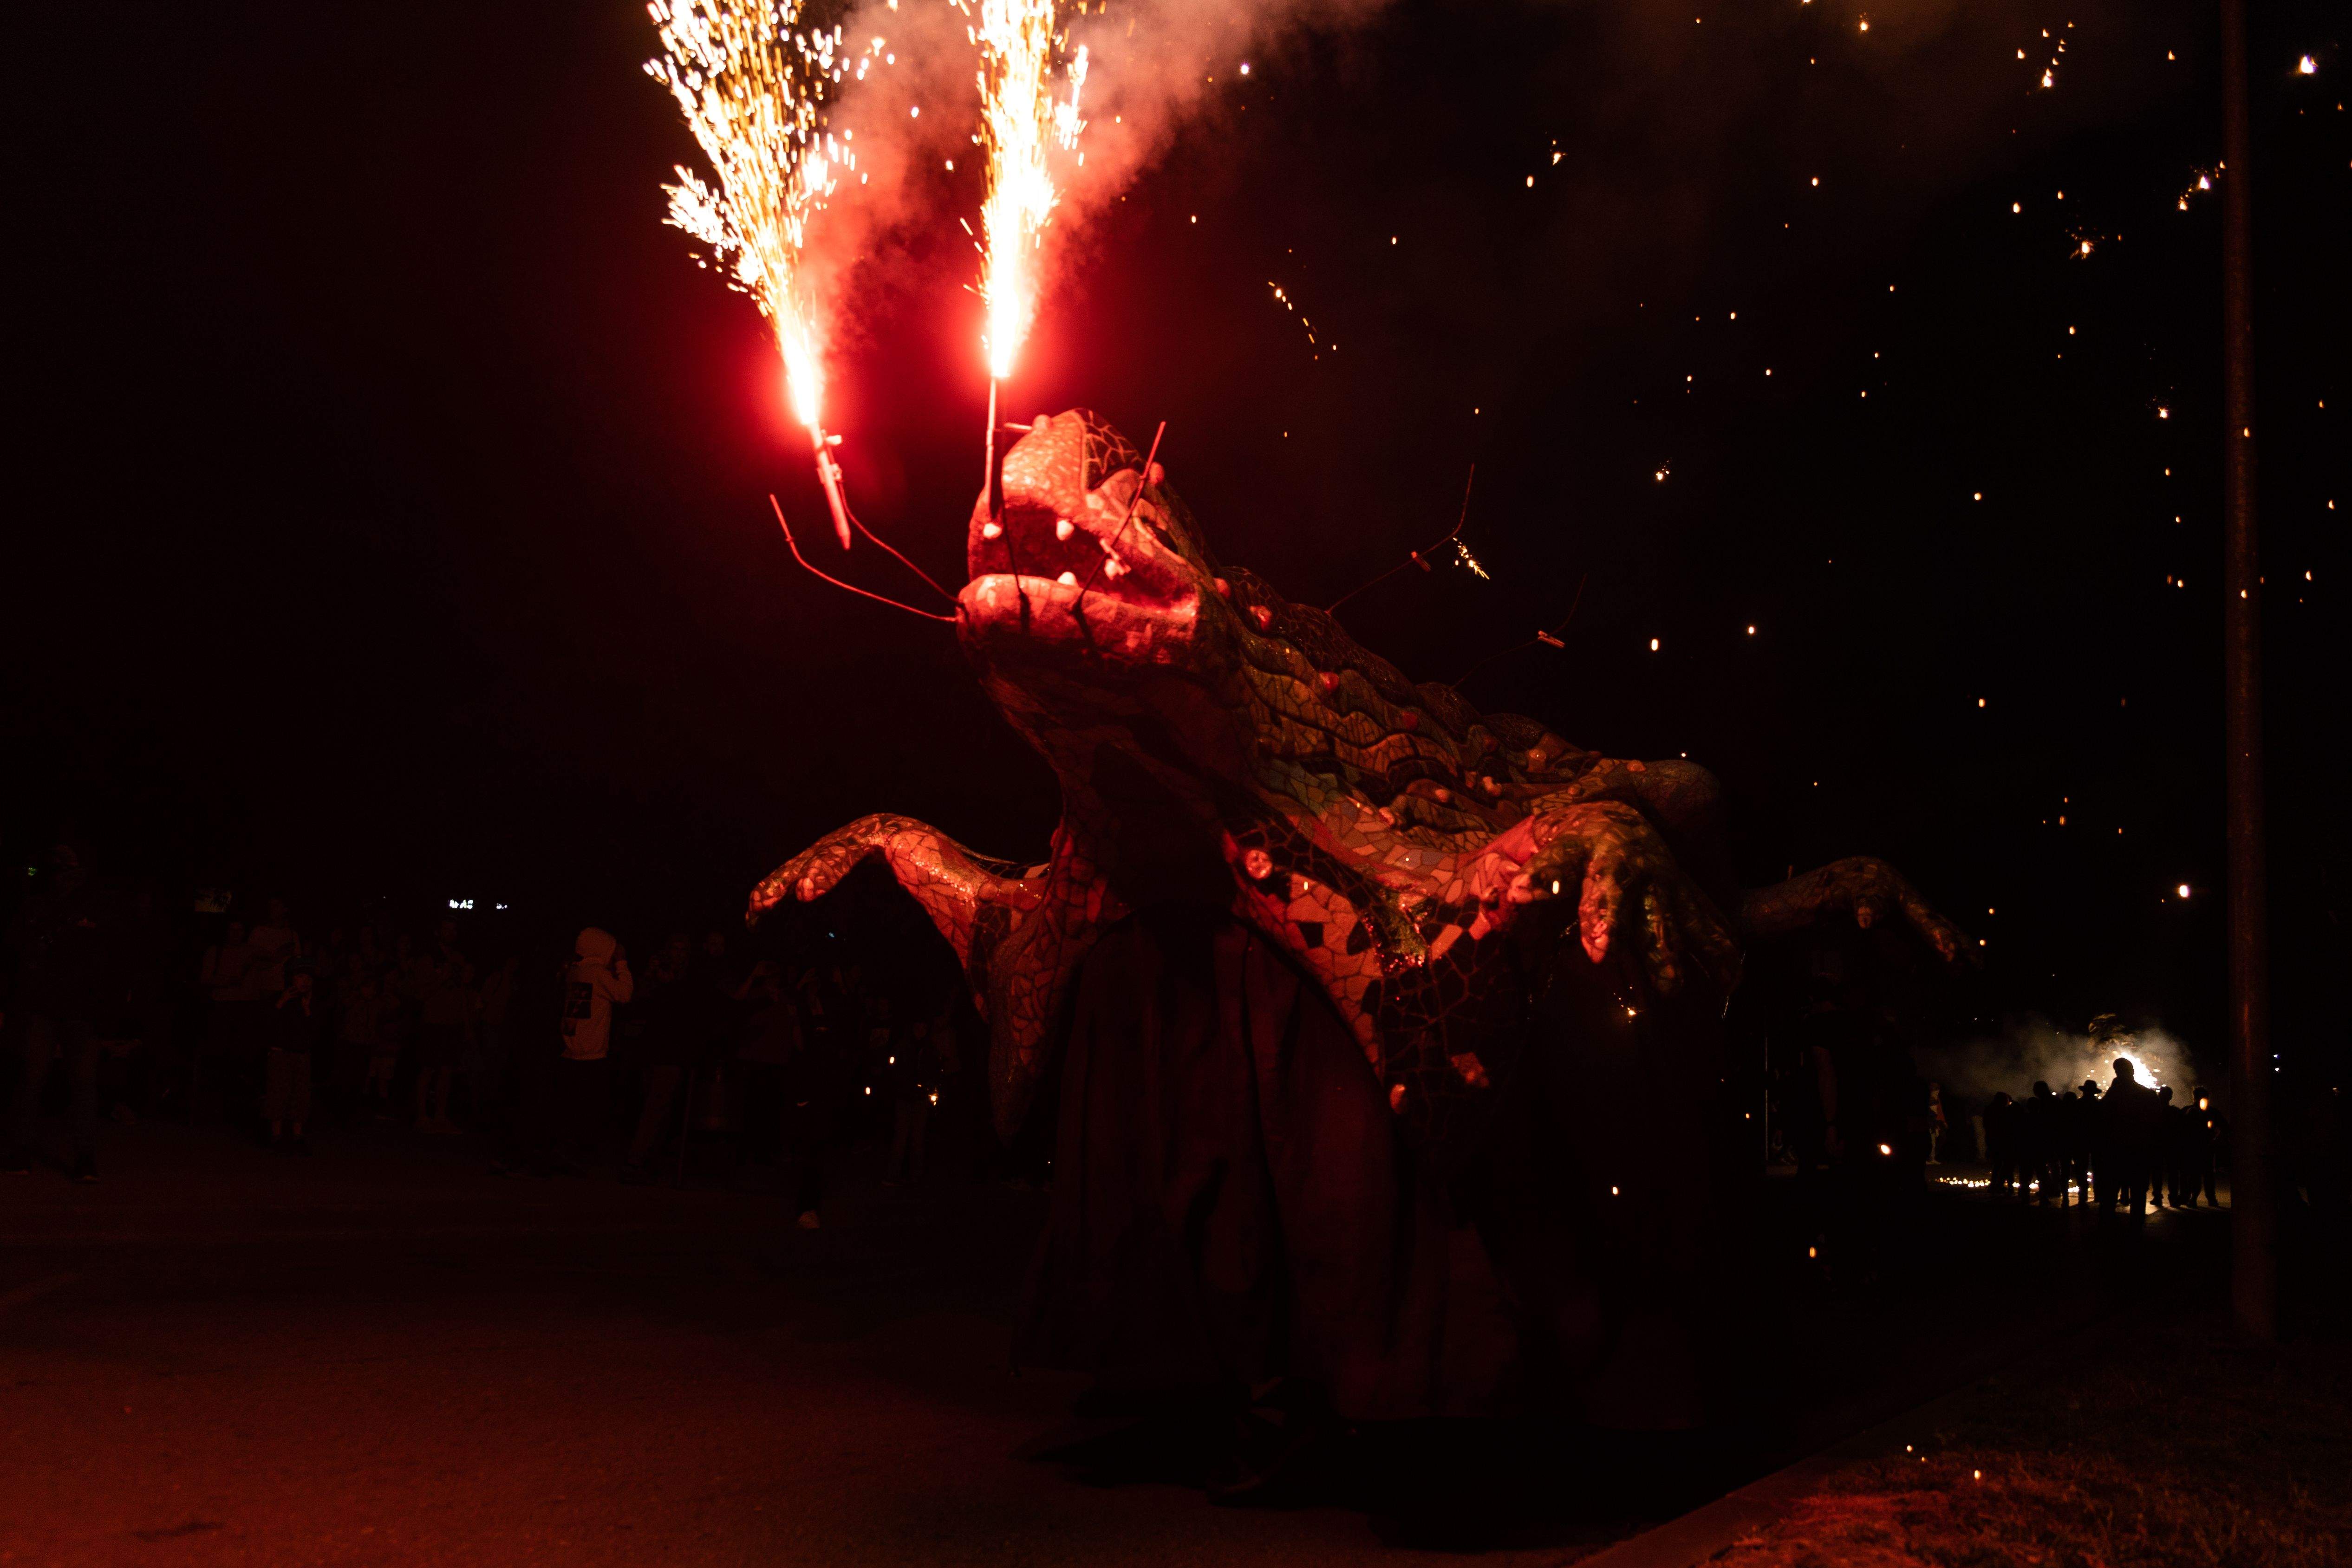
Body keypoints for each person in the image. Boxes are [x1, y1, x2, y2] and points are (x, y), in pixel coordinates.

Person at [2, 844, 122, 1181]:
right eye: (62, 869)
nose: (67, 876)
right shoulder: (37, 905)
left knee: (81, 1084)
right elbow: (19, 950)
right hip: (44, 1007)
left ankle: (84, 1158)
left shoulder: (97, 907)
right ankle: (22, 1151)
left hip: (80, 1010)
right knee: (32, 1080)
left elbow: (107, 958)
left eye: (72, 869)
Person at [550, 927, 631, 1171]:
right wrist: (622, 964)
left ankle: (565, 1154)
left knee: (571, 1108)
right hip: (592, 1053)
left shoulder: (577, 971)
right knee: (588, 1111)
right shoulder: (597, 973)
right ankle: (579, 1158)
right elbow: (624, 994)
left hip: (572, 1050)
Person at [410, 920, 474, 1135]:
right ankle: (421, 1116)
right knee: (427, 1068)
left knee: (447, 1070)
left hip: (453, 1023)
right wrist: (440, 979)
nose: (451, 933)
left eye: (454, 929)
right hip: (433, 1022)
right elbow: (419, 993)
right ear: (437, 932)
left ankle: (440, 1116)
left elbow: (462, 994)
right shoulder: (427, 960)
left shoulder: (458, 959)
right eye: (446, 929)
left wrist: (467, 1025)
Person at [261, 968, 323, 1153]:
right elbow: (267, 1026)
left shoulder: (313, 1002)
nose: (305, 981)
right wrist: (282, 1002)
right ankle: (277, 1135)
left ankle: (298, 1135)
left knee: (301, 1093)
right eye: (301, 977)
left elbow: (317, 1031)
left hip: (302, 1055)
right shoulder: (278, 999)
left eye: (309, 977)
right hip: (281, 1054)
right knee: (278, 1092)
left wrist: (307, 1010)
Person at [2100, 1059, 2162, 1218]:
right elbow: (2156, 1125)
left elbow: (2102, 1124)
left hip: (2116, 1152)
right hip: (2139, 1152)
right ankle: (2136, 1231)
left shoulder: (2112, 1096)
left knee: (2110, 1194)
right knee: (2138, 1194)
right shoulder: (2147, 1094)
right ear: (2133, 1071)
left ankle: (2106, 1231)